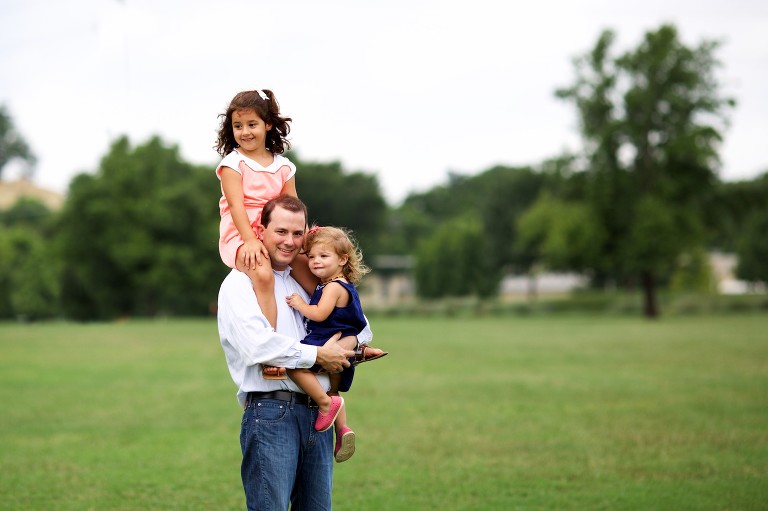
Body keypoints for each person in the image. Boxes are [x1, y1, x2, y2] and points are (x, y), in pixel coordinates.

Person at [217, 195, 369, 510]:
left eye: (297, 233)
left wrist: (348, 348)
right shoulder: (239, 282)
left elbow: (362, 326)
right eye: (281, 231)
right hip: (273, 415)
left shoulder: (312, 281)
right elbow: (257, 345)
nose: (289, 241)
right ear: (261, 230)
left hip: (320, 416)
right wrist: (318, 357)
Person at [214, 88, 314, 333]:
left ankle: (346, 331)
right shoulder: (232, 164)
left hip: (276, 232)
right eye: (238, 126)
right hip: (241, 233)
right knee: (263, 274)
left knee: (316, 270)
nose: (245, 132)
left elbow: (295, 207)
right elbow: (236, 206)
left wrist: (307, 239)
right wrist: (249, 240)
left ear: (268, 124)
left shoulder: (284, 166)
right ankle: (271, 343)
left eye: (252, 124)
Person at [285, 225, 388, 462]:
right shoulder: (343, 285)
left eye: (323, 256)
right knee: (333, 390)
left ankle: (323, 404)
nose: (315, 262)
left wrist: (300, 304)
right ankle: (342, 429)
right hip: (344, 342)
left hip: (325, 340)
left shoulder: (332, 287)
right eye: (311, 257)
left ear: (342, 259)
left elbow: (320, 314)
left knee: (293, 365)